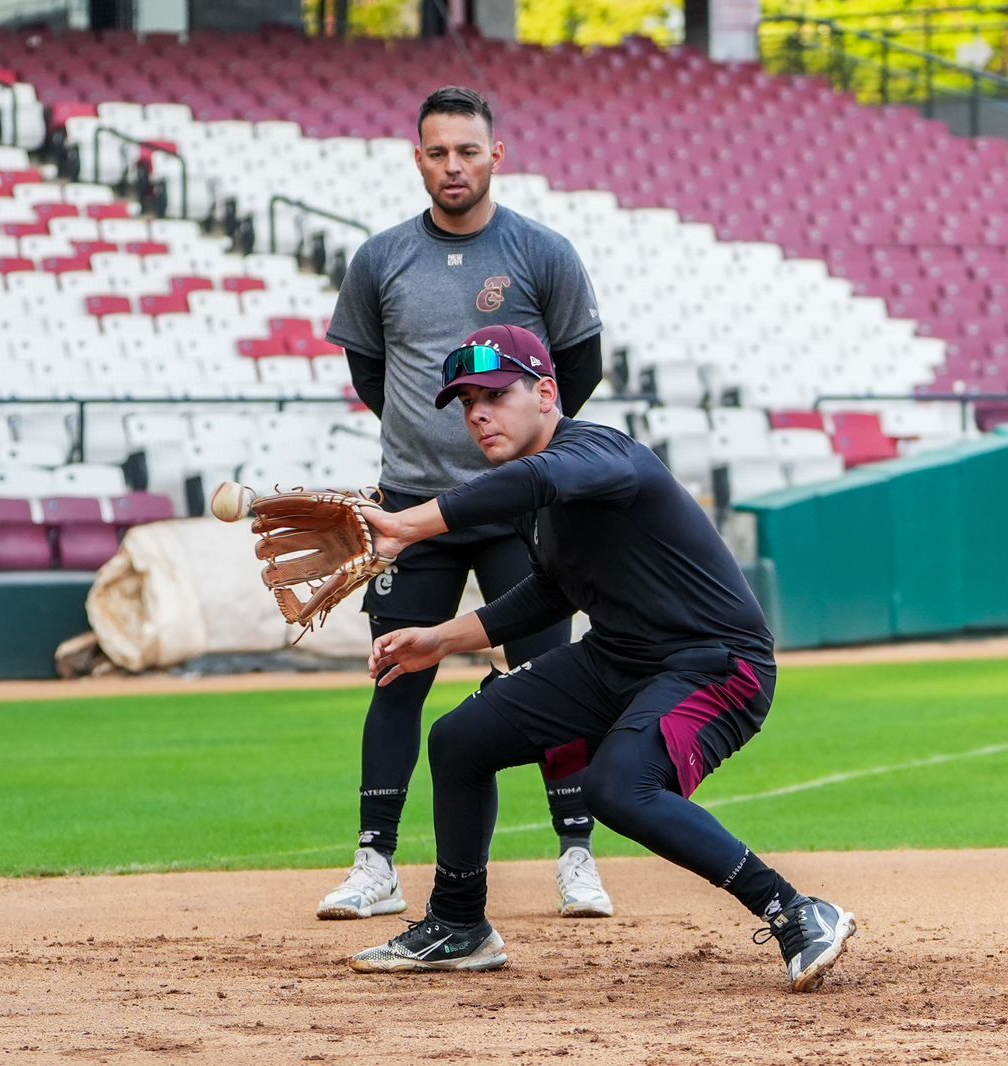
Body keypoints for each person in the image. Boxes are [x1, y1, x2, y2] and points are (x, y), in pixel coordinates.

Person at [346, 324, 858, 992]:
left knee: (617, 787)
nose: (477, 412)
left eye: (495, 394)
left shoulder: (597, 454)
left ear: (548, 394)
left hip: (715, 664)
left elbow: (541, 477)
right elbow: (553, 593)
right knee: (459, 739)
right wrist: (440, 638)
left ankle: (794, 909)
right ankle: (459, 923)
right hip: (617, 658)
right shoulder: (537, 503)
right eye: (466, 401)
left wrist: (407, 525)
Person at [319, 86, 613, 920]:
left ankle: (578, 854)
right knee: (395, 676)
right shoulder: (380, 259)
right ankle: (375, 863)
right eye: (438, 152)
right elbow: (371, 374)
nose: (454, 166)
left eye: (469, 151)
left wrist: (521, 457)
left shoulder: (543, 253)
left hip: (518, 508)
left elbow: (576, 372)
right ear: (418, 158)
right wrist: (423, 446)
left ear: (497, 157)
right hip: (411, 508)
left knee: (550, 676)